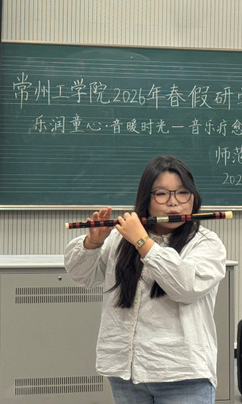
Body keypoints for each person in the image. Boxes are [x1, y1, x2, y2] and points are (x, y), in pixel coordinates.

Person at [64, 155, 227, 404]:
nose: (174, 203)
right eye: (162, 194)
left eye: (183, 193)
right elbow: (82, 276)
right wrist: (93, 242)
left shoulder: (206, 243)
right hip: (126, 372)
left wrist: (143, 242)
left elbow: (185, 288)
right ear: (146, 199)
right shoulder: (121, 240)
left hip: (181, 373)